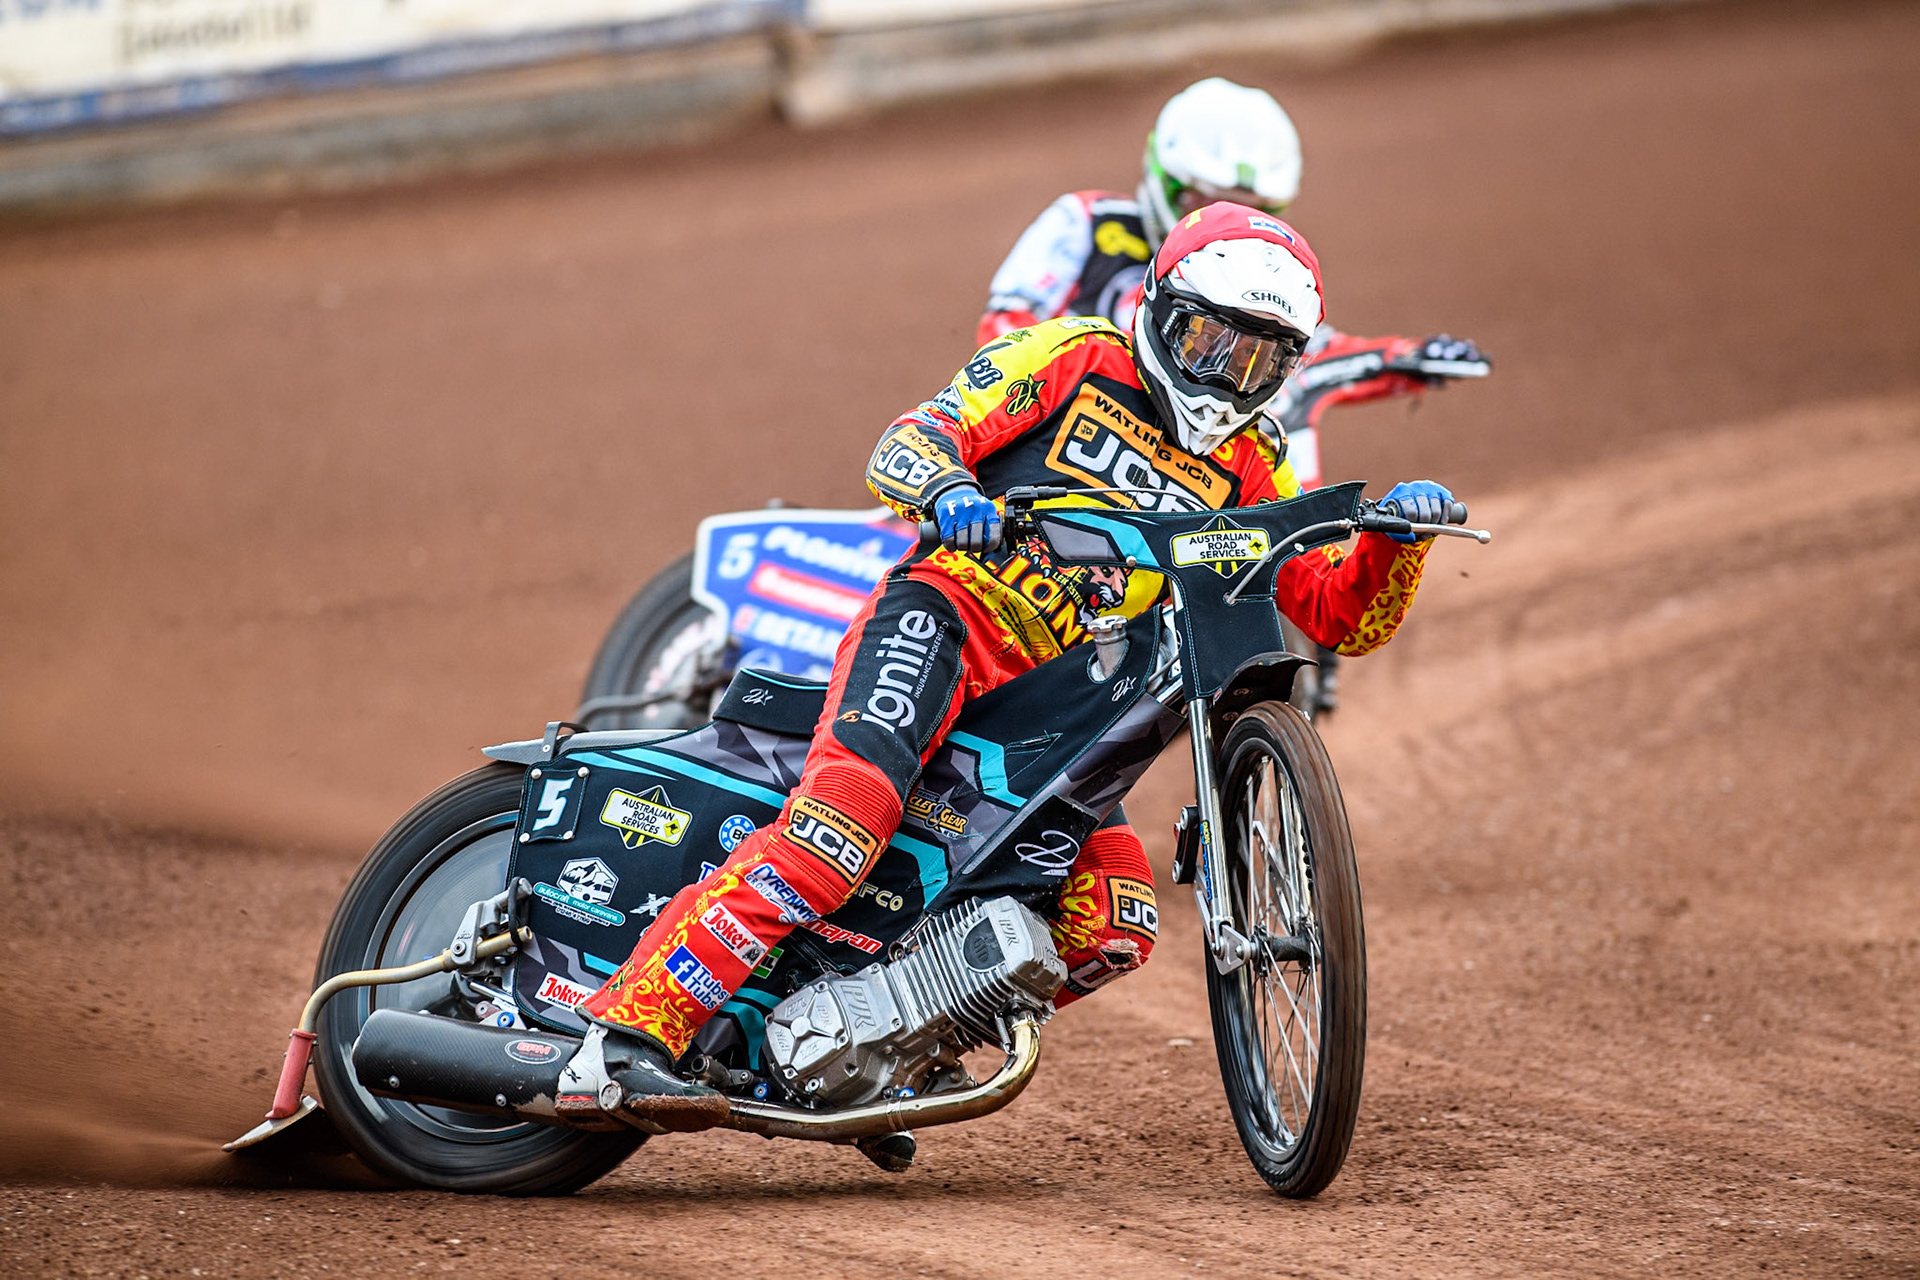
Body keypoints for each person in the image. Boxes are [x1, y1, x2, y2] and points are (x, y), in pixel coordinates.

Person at [561, 204, 1458, 1138]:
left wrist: (1395, 545)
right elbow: (910, 438)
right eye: (1208, 340)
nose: (1227, 375)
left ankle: (876, 1047)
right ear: (1157, 305)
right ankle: (625, 1031)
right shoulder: (1071, 355)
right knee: (841, 829)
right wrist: (949, 488)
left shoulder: (1251, 457)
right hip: (946, 623)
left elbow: (1332, 612)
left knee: (1113, 925)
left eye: (1260, 359)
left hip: (1060, 709)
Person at [976, 75, 1486, 475]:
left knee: (1272, 387)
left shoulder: (1258, 274)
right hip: (1063, 435)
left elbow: (1301, 353)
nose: (1223, 221)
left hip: (1194, 452)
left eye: (1251, 208)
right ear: (1168, 179)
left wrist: (1400, 357)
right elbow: (1002, 334)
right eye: (1206, 200)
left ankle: (1283, 570)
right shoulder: (1087, 223)